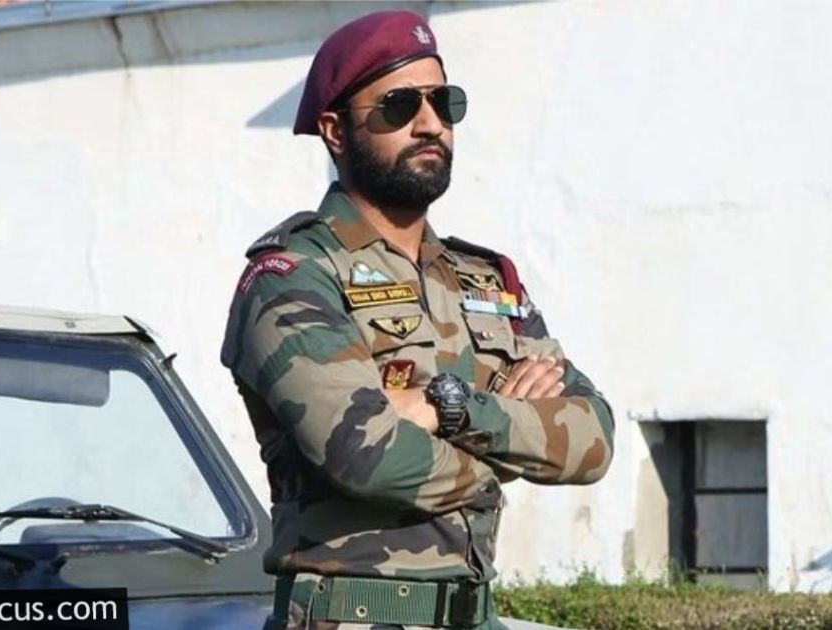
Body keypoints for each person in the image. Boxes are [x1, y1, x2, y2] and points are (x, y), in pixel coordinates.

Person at [219, 10, 615, 630]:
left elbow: (593, 439)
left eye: (443, 102)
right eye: (400, 106)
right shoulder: (293, 277)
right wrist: (512, 448)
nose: (430, 123)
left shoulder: (484, 279)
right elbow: (363, 454)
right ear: (335, 131)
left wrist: (448, 409)